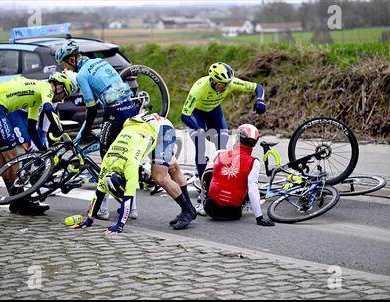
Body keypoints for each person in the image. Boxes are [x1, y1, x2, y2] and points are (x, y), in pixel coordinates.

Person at [72, 113, 197, 234]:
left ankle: (187, 211)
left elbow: (128, 200)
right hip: (139, 125)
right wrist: (89, 220)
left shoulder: (130, 166)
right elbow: (99, 193)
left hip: (161, 130)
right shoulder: (107, 162)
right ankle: (189, 209)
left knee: (159, 177)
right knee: (172, 167)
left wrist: (119, 226)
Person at [55, 40, 137, 219]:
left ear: (71, 59)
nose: (67, 67)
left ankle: (102, 209)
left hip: (115, 112)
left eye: (65, 63)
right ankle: (133, 208)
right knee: (125, 158)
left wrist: (84, 133)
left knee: (107, 160)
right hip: (130, 108)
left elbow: (91, 109)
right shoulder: (100, 61)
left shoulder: (83, 73)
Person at [0, 73, 73, 214]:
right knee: (13, 157)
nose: (62, 100)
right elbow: (48, 109)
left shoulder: (36, 98)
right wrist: (61, 132)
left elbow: (31, 127)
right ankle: (22, 202)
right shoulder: (46, 88)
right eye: (64, 95)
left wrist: (42, 150)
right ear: (59, 86)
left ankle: (14, 202)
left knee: (4, 158)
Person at [181, 62, 267, 215]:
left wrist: (260, 99)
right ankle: (203, 197)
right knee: (200, 145)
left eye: (227, 84)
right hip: (196, 116)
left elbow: (257, 87)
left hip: (214, 113)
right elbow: (185, 115)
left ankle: (227, 186)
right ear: (212, 81)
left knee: (223, 150)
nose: (226, 88)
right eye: (222, 85)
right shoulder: (199, 88)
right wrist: (200, 129)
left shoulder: (230, 82)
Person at [201, 124, 275, 226]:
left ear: (238, 138)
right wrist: (259, 218)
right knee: (249, 182)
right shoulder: (254, 162)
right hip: (233, 213)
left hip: (210, 208)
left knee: (210, 168)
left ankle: (201, 203)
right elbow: (253, 190)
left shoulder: (220, 153)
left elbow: (208, 175)